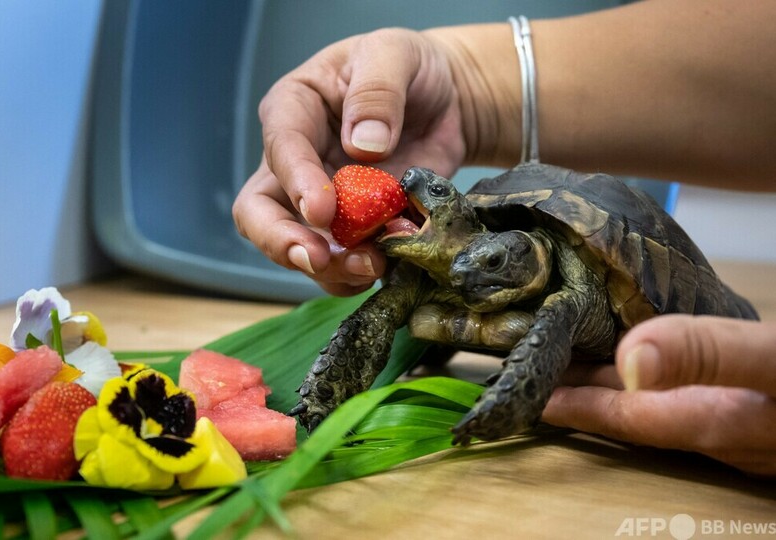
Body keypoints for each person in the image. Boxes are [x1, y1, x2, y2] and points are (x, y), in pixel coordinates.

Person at [232, 0, 776, 476]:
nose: (469, 271)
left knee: (557, 313)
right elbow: (391, 304)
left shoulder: (570, 293)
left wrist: (510, 401)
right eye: (470, 260)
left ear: (532, 259)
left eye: (490, 264)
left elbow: (555, 322)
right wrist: (463, 86)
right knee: (380, 309)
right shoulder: (458, 255)